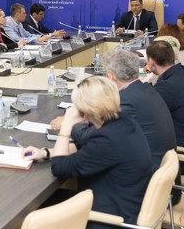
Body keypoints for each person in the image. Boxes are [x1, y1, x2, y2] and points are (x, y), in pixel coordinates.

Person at [22, 76, 153, 228]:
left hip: (108, 219)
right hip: (126, 203)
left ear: (86, 110)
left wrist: (67, 124)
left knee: (34, 215)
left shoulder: (107, 139)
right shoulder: (123, 121)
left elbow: (59, 167)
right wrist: (46, 153)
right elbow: (85, 146)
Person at [146, 40, 184, 173]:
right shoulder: (181, 73)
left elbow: (146, 114)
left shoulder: (167, 87)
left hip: (178, 157)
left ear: (151, 62)